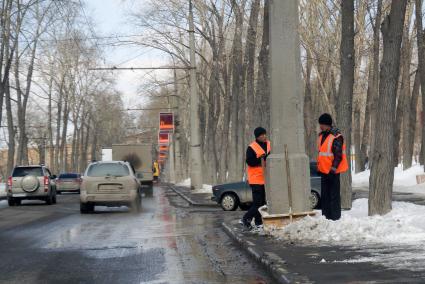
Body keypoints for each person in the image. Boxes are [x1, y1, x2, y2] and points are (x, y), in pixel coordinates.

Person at [317, 113, 348, 221]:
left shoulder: (336, 137)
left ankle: (335, 218)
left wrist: (333, 169)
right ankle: (326, 217)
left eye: (322, 124)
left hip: (332, 172)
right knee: (325, 196)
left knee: (334, 196)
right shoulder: (321, 136)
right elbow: (322, 154)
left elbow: (338, 156)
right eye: (320, 124)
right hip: (323, 171)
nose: (320, 126)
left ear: (327, 124)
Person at [240, 127, 271, 230]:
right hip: (256, 179)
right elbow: (250, 162)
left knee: (262, 203)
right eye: (261, 135)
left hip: (266, 179)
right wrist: (260, 158)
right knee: (257, 203)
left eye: (265, 134)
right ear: (257, 136)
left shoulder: (269, 145)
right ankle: (246, 218)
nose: (264, 136)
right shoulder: (251, 147)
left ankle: (258, 222)